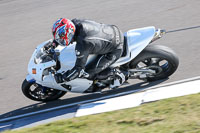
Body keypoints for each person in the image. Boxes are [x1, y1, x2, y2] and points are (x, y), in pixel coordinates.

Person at [52, 18, 126, 89]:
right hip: (113, 30)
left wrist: (63, 78)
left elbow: (78, 70)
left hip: (115, 48)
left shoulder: (83, 44)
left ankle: (116, 74)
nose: (61, 40)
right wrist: (54, 43)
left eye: (61, 37)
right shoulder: (76, 23)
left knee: (89, 74)